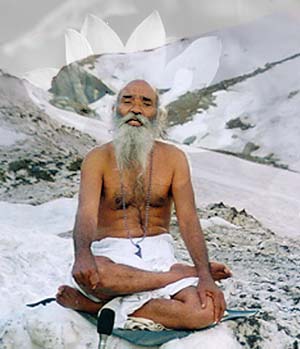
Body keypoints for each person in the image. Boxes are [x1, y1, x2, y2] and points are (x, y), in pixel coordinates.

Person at [56, 79, 231, 330]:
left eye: (146, 103)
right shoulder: (97, 159)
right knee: (97, 276)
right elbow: (86, 214)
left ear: (157, 116)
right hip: (112, 254)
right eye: (127, 100)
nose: (136, 108)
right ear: (114, 109)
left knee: (205, 312)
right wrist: (82, 256)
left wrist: (205, 277)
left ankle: (94, 307)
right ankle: (183, 273)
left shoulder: (175, 159)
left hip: (159, 254)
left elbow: (189, 219)